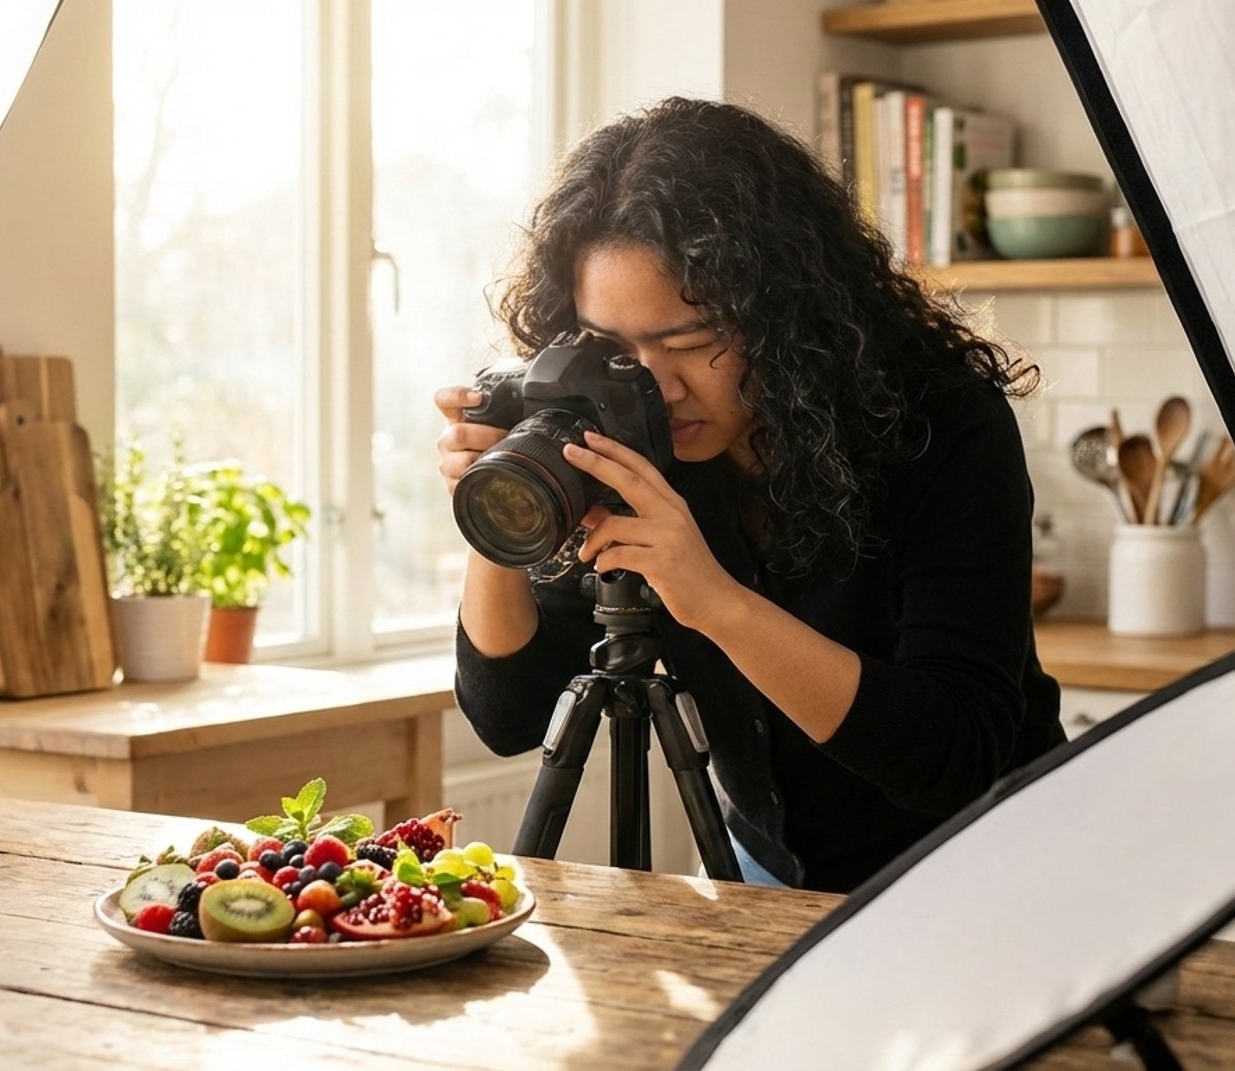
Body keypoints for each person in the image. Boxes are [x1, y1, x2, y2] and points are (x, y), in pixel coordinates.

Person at [436, 97, 1064, 894]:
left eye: (690, 342)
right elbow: (508, 714)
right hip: (764, 870)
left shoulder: (942, 426)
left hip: (985, 868)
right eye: (611, 347)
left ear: (783, 314)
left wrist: (715, 601)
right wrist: (498, 502)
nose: (656, 386)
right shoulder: (620, 428)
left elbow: (953, 756)